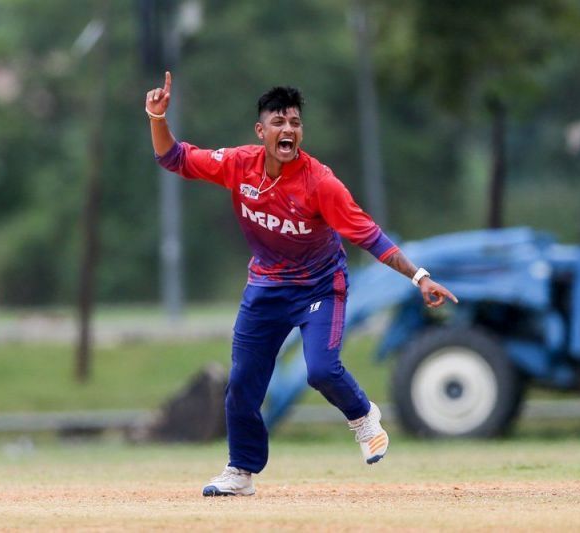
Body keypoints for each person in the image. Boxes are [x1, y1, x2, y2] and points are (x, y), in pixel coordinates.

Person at [145, 72, 458, 497]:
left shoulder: (319, 182)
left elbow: (368, 234)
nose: (288, 129)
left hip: (319, 288)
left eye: (294, 122)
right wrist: (156, 116)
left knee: (321, 370)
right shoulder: (239, 165)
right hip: (266, 289)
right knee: (241, 386)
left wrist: (419, 277)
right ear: (261, 131)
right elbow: (174, 158)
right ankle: (240, 472)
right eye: (278, 122)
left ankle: (364, 417)